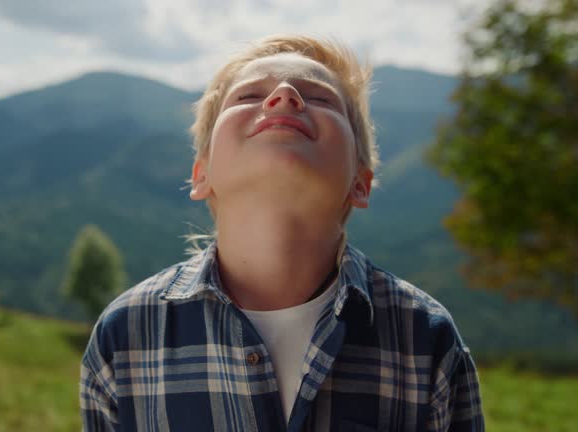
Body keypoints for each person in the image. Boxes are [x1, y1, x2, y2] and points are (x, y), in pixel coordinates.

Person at [80, 35, 484, 432]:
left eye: (322, 98)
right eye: (248, 96)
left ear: (360, 183)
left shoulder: (424, 338)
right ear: (201, 176)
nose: (286, 94)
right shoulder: (127, 333)